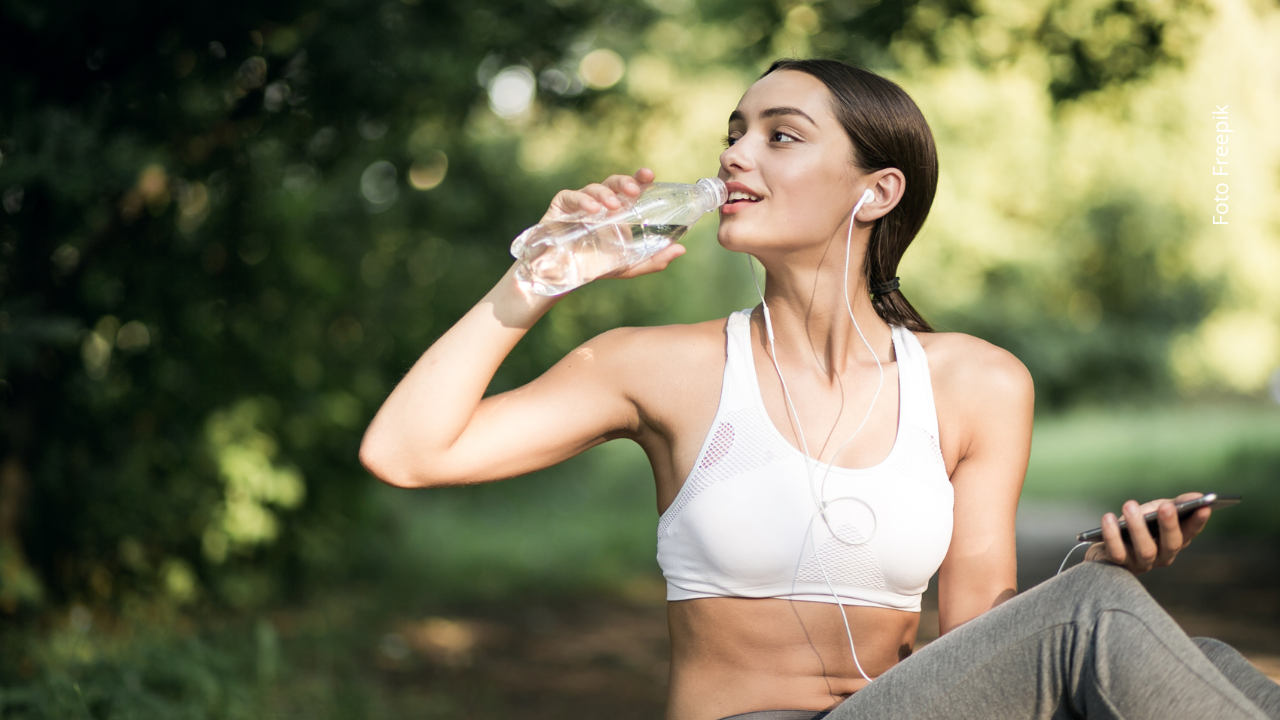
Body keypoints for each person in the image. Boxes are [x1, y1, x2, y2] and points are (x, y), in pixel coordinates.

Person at [359, 58, 1280, 720]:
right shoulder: (660, 368)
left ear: (874, 192)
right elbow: (405, 452)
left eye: (780, 136)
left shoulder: (977, 383)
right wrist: (541, 275)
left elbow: (978, 639)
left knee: (1194, 656)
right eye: (734, 133)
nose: (734, 156)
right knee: (1103, 623)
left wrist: (1092, 572)